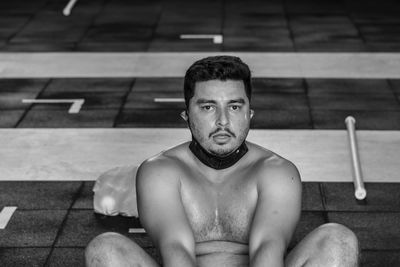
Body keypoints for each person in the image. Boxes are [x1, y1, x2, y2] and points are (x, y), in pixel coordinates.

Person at [85, 55, 359, 267]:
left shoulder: (277, 172)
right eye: (208, 107)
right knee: (105, 248)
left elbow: (268, 248)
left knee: (337, 239)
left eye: (235, 106)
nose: (223, 121)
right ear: (187, 116)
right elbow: (175, 249)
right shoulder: (160, 170)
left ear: (249, 114)